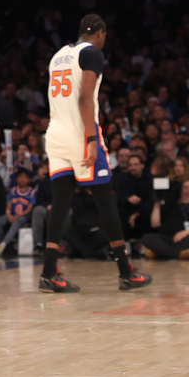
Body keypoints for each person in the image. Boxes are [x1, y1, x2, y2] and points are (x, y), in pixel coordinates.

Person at [40, 14, 151, 293]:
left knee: (61, 203)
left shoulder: (57, 56)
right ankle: (126, 272)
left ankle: (48, 273)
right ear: (100, 33)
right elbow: (84, 98)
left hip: (55, 134)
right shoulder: (93, 54)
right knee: (106, 202)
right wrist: (91, 139)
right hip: (79, 134)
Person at [140, 179, 189, 259]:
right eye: (185, 187)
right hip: (165, 237)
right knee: (147, 238)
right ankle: (177, 254)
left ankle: (160, 252)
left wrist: (184, 233)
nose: (187, 191)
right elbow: (154, 224)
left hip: (183, 238)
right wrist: (157, 204)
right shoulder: (170, 204)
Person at [0, 167, 37, 256]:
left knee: (17, 222)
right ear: (16, 179)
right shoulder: (13, 191)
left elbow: (29, 208)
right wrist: (9, 214)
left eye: (25, 177)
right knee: (0, 220)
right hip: (12, 214)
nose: (22, 179)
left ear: (29, 180)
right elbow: (9, 204)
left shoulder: (32, 192)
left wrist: (17, 216)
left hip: (24, 216)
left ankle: (3, 245)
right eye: (20, 177)